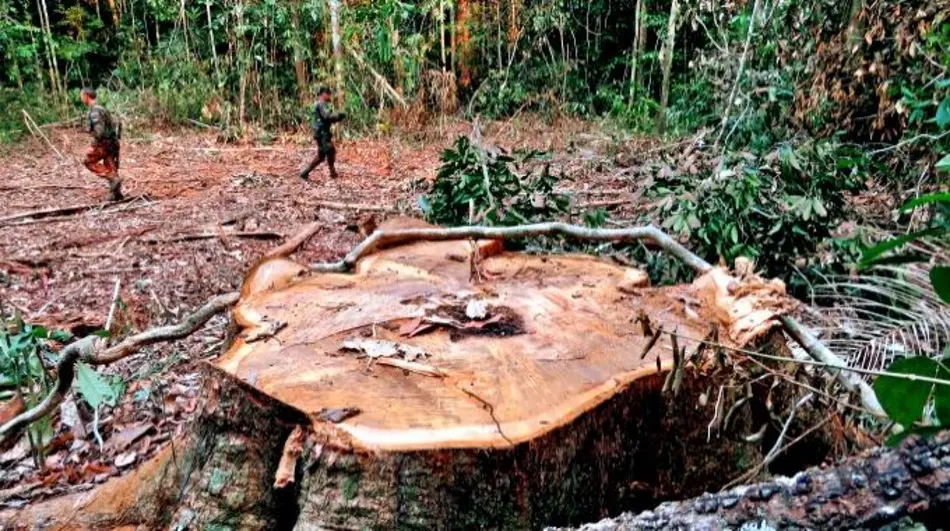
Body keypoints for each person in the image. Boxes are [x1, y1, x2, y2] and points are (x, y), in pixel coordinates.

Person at [79, 88, 123, 201]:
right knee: (110, 165)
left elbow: (100, 132)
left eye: (82, 96)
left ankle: (113, 179)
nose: (81, 98)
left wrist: (93, 146)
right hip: (112, 143)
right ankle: (115, 194)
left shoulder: (95, 111)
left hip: (105, 144)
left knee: (88, 161)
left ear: (86, 96)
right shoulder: (101, 108)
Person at [300, 87, 346, 180]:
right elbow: (326, 117)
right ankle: (333, 173)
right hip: (322, 133)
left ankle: (305, 173)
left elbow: (326, 118)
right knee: (330, 150)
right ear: (323, 94)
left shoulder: (320, 104)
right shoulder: (321, 103)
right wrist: (338, 116)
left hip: (320, 132)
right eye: (328, 94)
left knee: (321, 155)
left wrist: (337, 117)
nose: (330, 96)